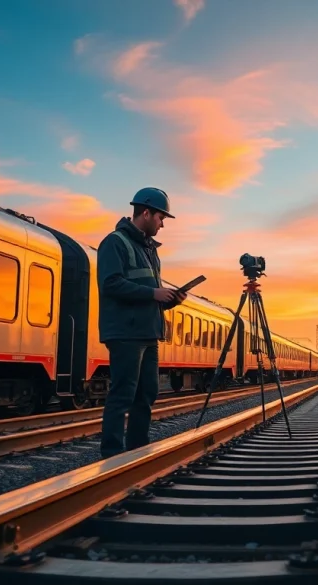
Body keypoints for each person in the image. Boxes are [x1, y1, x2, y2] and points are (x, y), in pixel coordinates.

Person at [97, 187, 187, 458]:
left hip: (148, 332)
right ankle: (112, 454)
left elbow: (151, 295)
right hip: (125, 332)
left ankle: (136, 451)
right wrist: (153, 293)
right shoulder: (115, 242)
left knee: (146, 394)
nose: (162, 224)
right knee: (123, 394)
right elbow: (110, 284)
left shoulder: (150, 250)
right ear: (145, 212)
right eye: (161, 218)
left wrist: (171, 299)